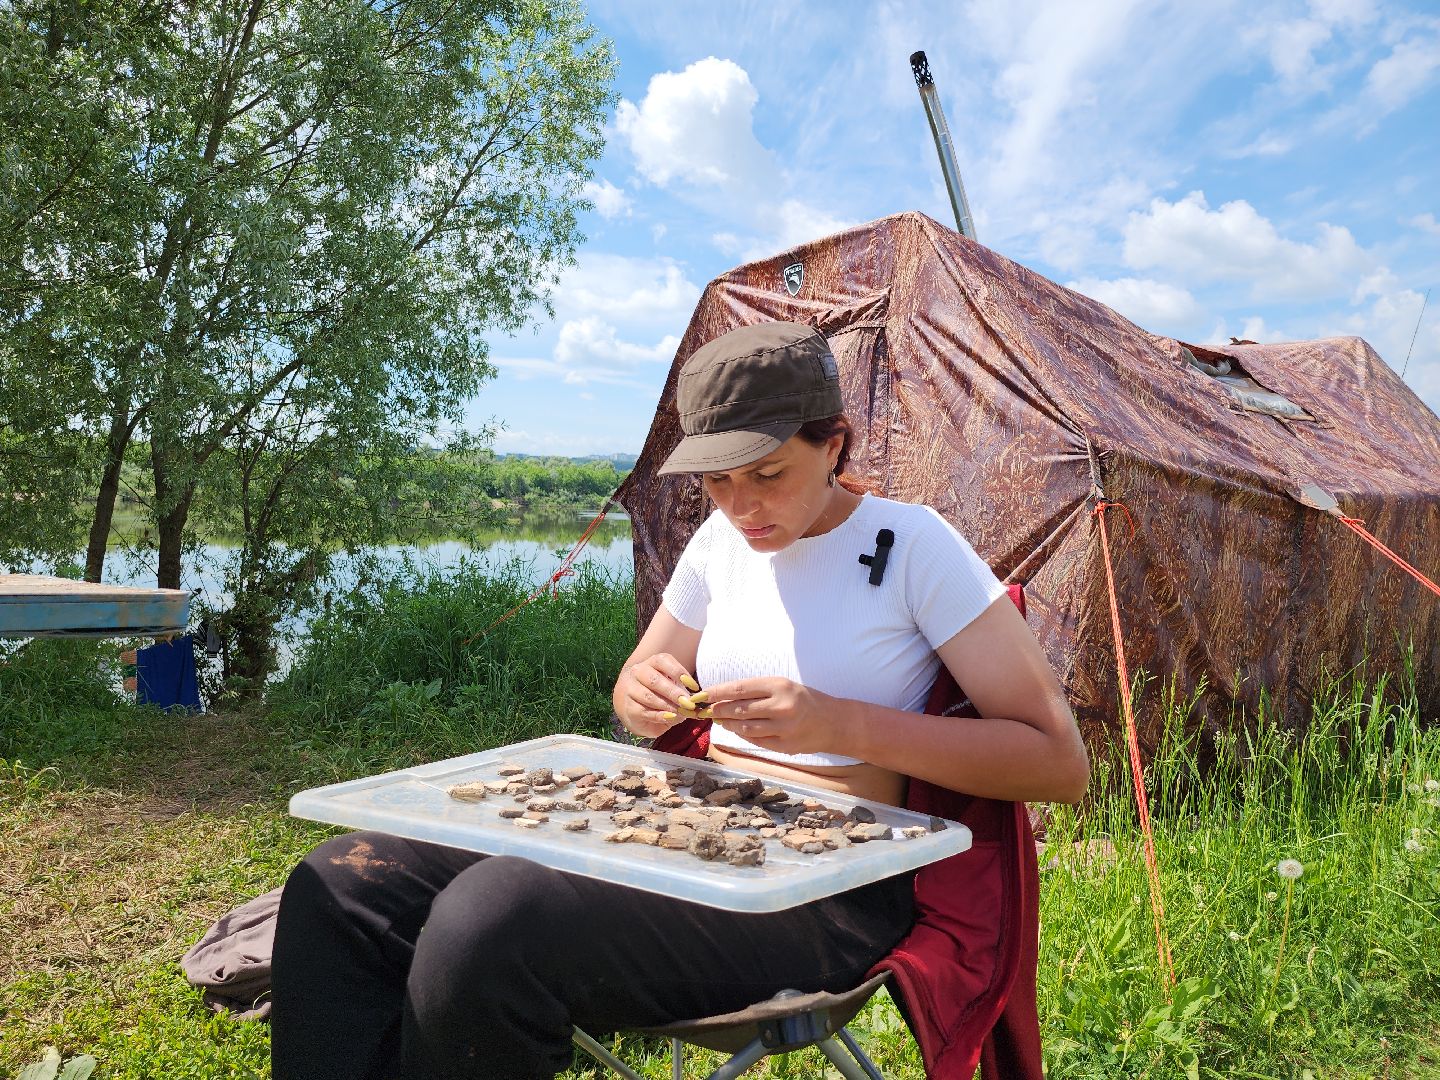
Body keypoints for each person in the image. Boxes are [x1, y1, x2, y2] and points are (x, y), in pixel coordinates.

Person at [269, 321, 1088, 1080]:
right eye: (718, 482)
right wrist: (642, 693)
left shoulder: (914, 547)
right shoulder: (720, 541)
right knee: (340, 884)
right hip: (676, 833)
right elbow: (642, 683)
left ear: (833, 444)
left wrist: (840, 724)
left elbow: (1057, 761)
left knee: (492, 923)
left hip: (827, 888)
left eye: (768, 474)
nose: (741, 507)